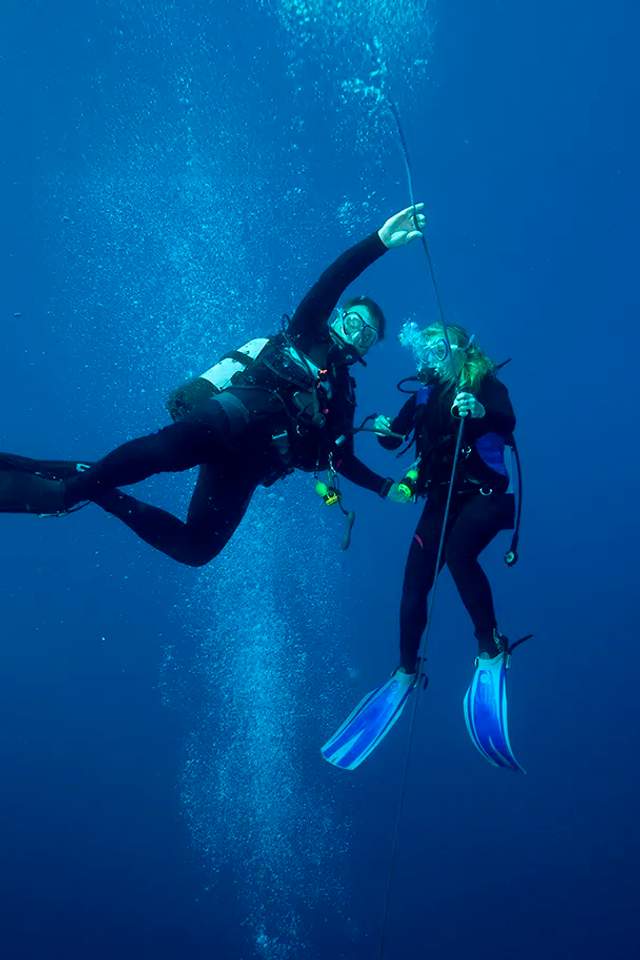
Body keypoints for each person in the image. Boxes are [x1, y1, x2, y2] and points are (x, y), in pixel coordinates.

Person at [0, 204, 425, 566]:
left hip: (249, 465)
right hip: (228, 418)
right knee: (161, 454)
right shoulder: (305, 332)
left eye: (367, 335)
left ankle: (93, 485)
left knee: (197, 549)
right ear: (338, 318)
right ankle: (66, 493)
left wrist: (384, 487)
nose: (357, 335)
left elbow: (341, 459)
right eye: (354, 322)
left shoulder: (344, 396)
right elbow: (332, 281)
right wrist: (379, 242)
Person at [321, 321, 523, 772]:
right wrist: (383, 429)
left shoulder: (483, 385)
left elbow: (507, 420)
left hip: (485, 497)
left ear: (462, 349)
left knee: (458, 555)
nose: (431, 353)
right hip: (440, 500)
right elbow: (396, 436)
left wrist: (479, 410)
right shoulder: (423, 396)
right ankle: (405, 671)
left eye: (440, 345)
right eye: (426, 347)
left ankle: (491, 649)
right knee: (413, 582)